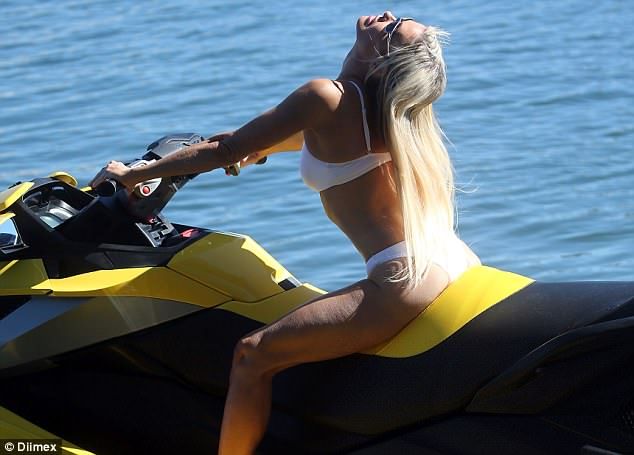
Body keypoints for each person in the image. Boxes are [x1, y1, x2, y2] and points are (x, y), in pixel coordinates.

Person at [90, 11, 481, 455]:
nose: (388, 16)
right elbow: (271, 141)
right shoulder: (386, 117)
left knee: (252, 354)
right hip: (452, 262)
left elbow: (228, 149)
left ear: (380, 63)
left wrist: (133, 174)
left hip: (403, 277)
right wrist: (249, 150)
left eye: (393, 30)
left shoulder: (327, 96)